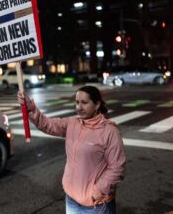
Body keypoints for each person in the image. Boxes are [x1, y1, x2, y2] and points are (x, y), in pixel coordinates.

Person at [17, 86, 125, 214]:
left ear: (97, 105)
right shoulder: (72, 124)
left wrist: (96, 192)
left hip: (96, 205)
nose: (79, 107)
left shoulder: (109, 131)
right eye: (77, 102)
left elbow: (117, 167)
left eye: (84, 103)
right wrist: (31, 108)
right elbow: (47, 124)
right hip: (72, 199)